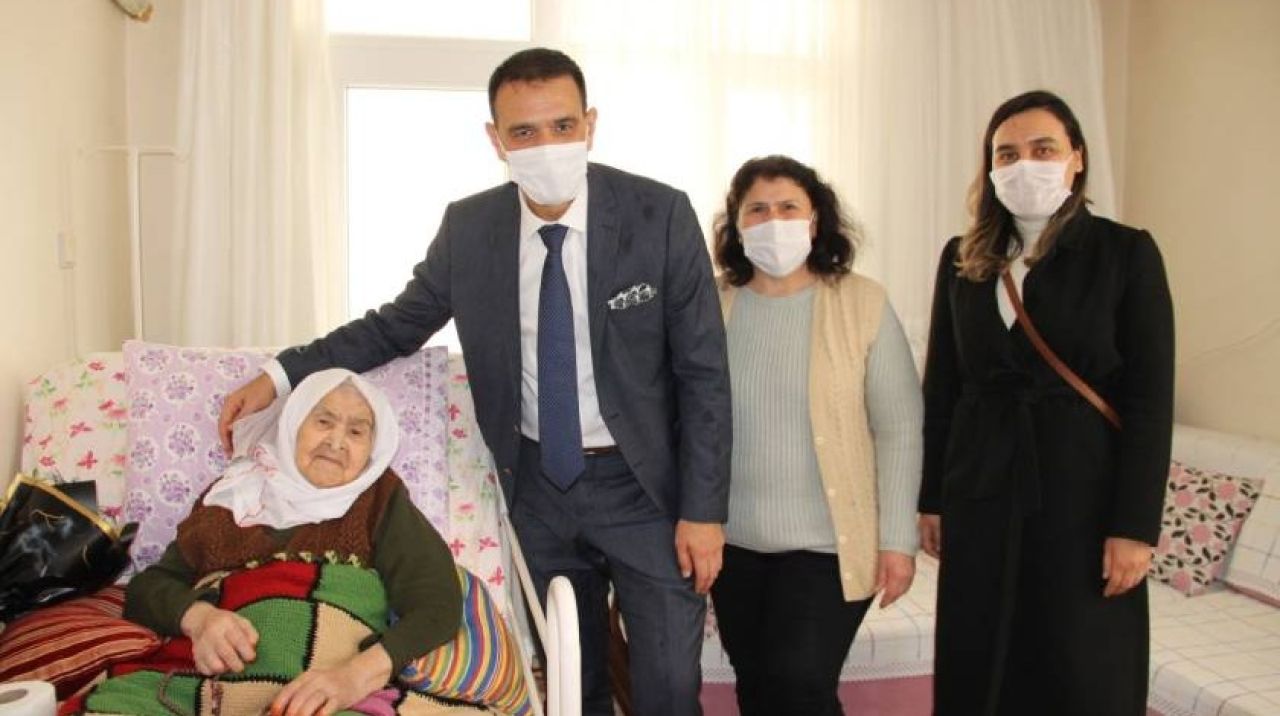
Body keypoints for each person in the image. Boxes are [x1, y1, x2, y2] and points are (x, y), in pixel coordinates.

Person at [217, 48, 731, 716]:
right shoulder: (471, 229)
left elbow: (703, 374)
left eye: (562, 126)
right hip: (538, 489)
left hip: (646, 491)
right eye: (524, 131)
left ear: (590, 124)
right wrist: (282, 373)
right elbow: (395, 326)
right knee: (573, 683)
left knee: (668, 687)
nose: (545, 145)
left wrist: (704, 511)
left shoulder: (657, 216)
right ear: (496, 139)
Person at [918, 90, 1174, 715]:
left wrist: (1134, 527)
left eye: (1043, 149)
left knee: (1078, 668)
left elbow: (1149, 400)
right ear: (990, 167)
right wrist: (932, 499)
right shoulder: (962, 259)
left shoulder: (1125, 253)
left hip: (1083, 496)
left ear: (1076, 157)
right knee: (982, 658)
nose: (1023, 164)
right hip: (980, 489)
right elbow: (944, 387)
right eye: (1007, 154)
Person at [81, 369, 466, 715]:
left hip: (330, 695)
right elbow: (147, 589)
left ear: (372, 450)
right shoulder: (230, 495)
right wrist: (199, 619)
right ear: (293, 425)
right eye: (323, 421)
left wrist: (354, 678)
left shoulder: (379, 499)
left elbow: (438, 603)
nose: (336, 441)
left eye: (356, 431)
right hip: (207, 690)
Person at [707, 155, 923, 715]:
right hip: (732, 545)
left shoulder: (862, 302)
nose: (773, 220)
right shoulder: (711, 305)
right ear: (736, 224)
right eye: (757, 209)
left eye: (788, 207)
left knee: (798, 681)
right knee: (757, 686)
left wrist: (897, 541)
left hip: (828, 545)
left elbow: (899, 426)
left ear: (815, 220)